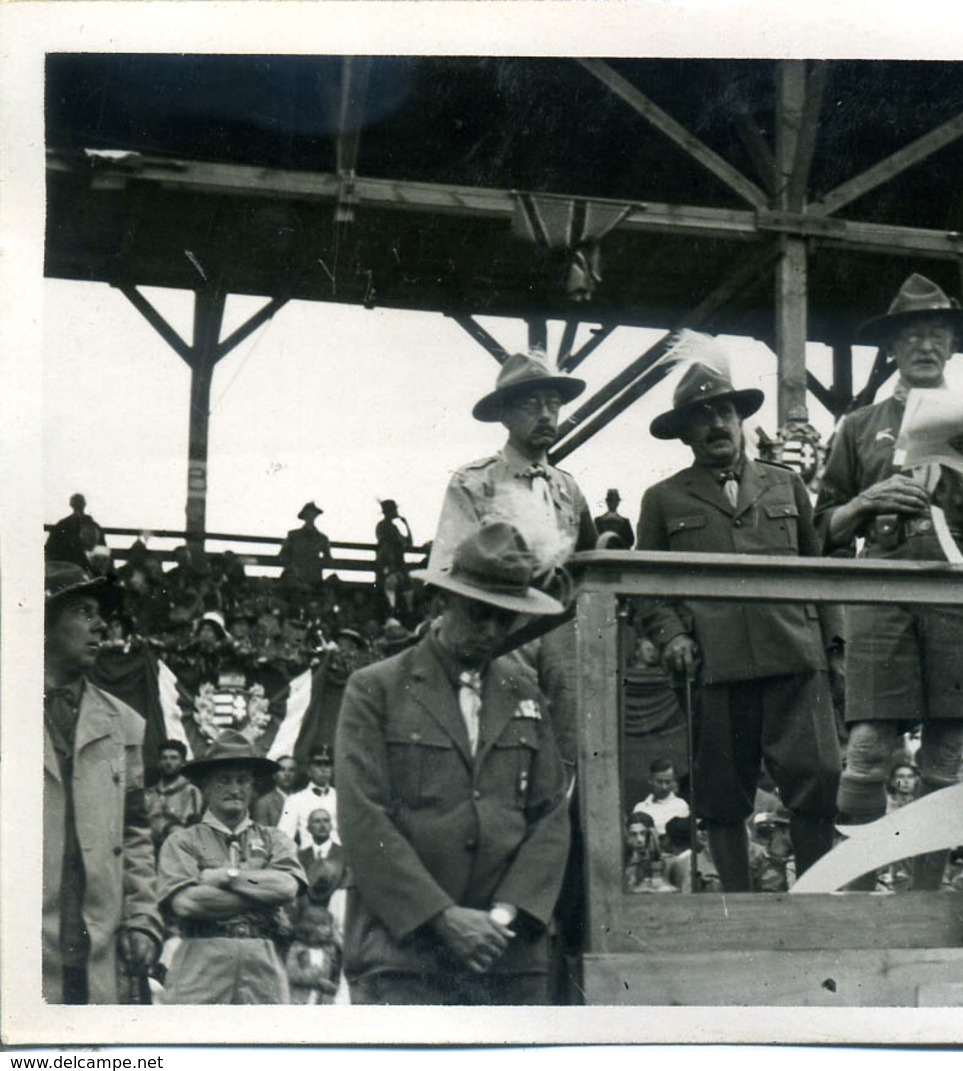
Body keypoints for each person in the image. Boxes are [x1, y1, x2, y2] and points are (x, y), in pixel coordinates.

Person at [814, 274, 963, 890]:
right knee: (869, 747)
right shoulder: (859, 427)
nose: (926, 346)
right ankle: (852, 890)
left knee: (943, 752)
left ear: (954, 346)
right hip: (882, 590)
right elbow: (821, 526)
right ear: (892, 347)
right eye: (912, 335)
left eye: (938, 334)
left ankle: (926, 893)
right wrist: (866, 502)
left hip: (957, 588)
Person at [636, 339, 842, 892]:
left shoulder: (786, 484)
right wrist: (673, 634)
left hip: (795, 659)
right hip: (717, 667)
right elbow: (645, 589)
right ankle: (739, 905)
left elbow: (822, 572)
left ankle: (816, 901)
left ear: (741, 418)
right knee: (722, 796)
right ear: (684, 433)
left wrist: (833, 647)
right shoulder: (662, 500)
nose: (715, 424)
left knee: (818, 781)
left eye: (723, 411)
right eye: (700, 417)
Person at [337, 522, 572, 1004]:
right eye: (478, 613)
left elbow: (550, 816)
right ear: (443, 603)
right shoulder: (375, 688)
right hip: (405, 956)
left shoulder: (524, 692)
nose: (490, 631)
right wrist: (442, 917)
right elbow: (364, 820)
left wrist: (502, 918)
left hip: (506, 959)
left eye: (504, 619)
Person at [429, 347, 596, 776]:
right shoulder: (475, 482)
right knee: (505, 739)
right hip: (502, 627)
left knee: (570, 746)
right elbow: (449, 567)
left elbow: (591, 561)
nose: (545, 414)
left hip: (562, 632)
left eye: (553, 404)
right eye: (531, 403)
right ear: (504, 414)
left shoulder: (568, 489)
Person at [43, 561, 163, 1003]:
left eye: (101, 614)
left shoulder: (123, 725)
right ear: (43, 622)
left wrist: (142, 917)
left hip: (95, 950)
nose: (100, 626)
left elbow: (134, 833)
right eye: (83, 612)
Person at [156, 730, 306, 1005]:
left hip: (263, 962)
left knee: (267, 1042)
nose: (235, 789)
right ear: (206, 786)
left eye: (242, 781)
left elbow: (286, 887)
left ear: (253, 787)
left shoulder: (274, 839)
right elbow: (187, 904)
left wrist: (224, 876)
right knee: (194, 1038)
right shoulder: (182, 841)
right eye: (224, 781)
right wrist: (260, 895)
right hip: (201, 960)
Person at [145, 739, 206, 853]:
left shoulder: (190, 791)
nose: (168, 762)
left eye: (174, 758)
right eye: (164, 758)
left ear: (182, 762)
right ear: (158, 762)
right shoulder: (150, 793)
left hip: (176, 849)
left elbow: (189, 826)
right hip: (149, 849)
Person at [278, 744, 339, 850]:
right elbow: (284, 838)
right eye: (318, 764)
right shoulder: (295, 800)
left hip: (339, 861)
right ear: (309, 769)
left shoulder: (341, 798)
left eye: (327, 764)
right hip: (309, 861)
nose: (323, 769)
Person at [279, 502, 334, 592]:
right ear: (304, 516)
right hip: (294, 580)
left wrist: (317, 563)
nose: (310, 517)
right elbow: (283, 555)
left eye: (312, 514)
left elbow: (328, 559)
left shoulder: (322, 538)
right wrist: (291, 569)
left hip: (314, 579)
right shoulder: (293, 535)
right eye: (308, 514)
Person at [630, 758, 690, 839]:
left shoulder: (681, 805)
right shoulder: (640, 808)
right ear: (650, 780)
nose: (664, 787)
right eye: (659, 782)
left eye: (668, 782)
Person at [45, 492, 106, 570]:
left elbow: (50, 549)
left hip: (64, 566)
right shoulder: (93, 525)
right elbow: (102, 549)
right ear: (84, 504)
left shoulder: (62, 524)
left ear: (71, 505)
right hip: (84, 567)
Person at [252, 754, 298, 828]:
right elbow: (262, 835)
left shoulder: (302, 799)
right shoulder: (263, 803)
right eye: (282, 770)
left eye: (291, 770)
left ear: (296, 775)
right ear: (274, 775)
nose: (287, 774)